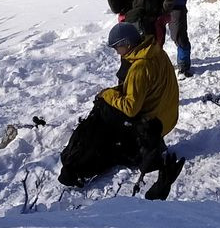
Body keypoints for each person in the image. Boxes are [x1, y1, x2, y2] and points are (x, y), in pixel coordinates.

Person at [58, 23, 183, 199]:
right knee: (110, 103)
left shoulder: (139, 67)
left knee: (104, 110)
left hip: (152, 124)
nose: (117, 52)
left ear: (128, 43)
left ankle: (79, 163)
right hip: (167, 117)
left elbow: (130, 108)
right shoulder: (157, 52)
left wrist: (107, 94)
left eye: (118, 46)